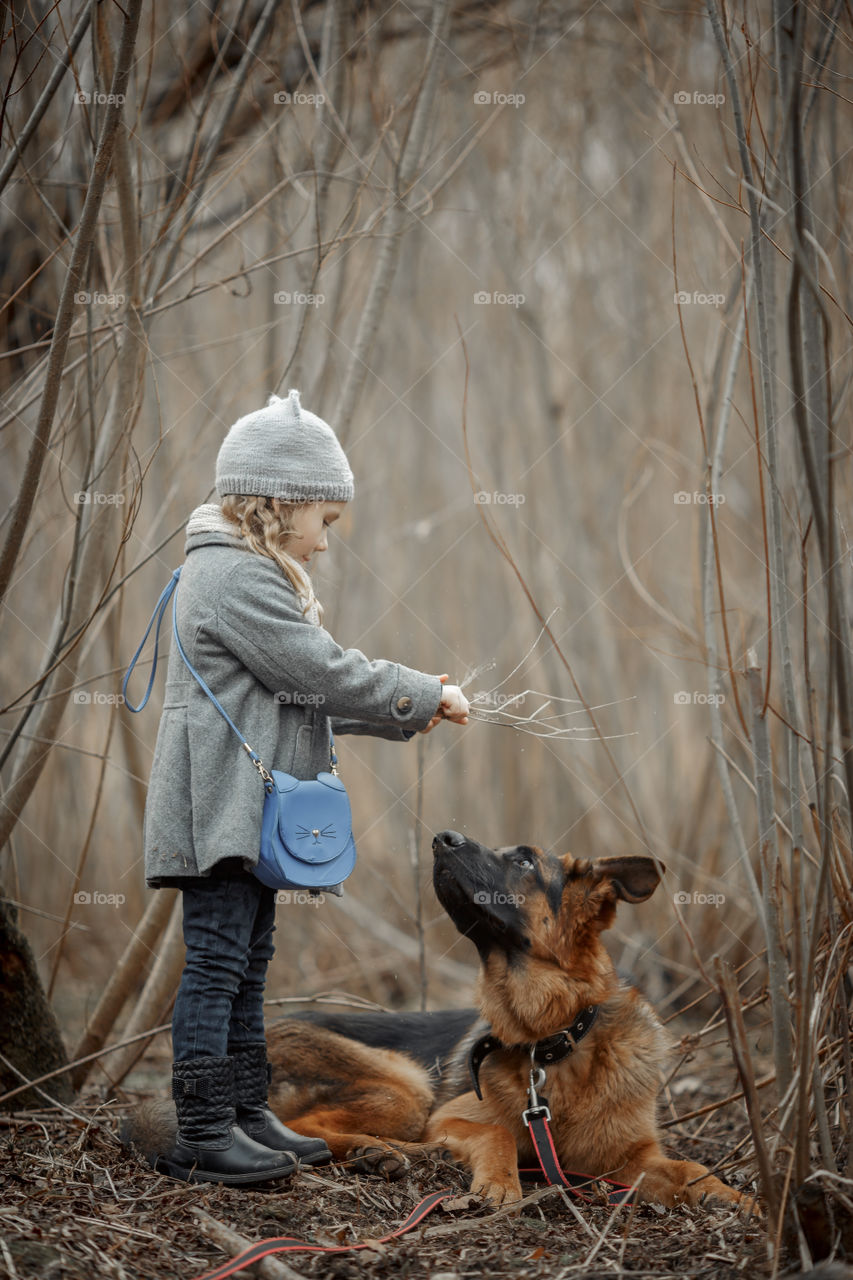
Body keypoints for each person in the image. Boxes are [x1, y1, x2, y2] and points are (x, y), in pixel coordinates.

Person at [137, 389, 469, 1185]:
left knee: (247, 960)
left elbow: (294, 699)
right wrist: (418, 692)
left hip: (237, 808)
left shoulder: (247, 572)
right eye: (323, 520)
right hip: (214, 809)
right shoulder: (231, 577)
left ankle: (247, 1113)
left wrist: (401, 716)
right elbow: (316, 672)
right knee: (217, 963)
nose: (324, 544)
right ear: (277, 504)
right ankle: (204, 1130)